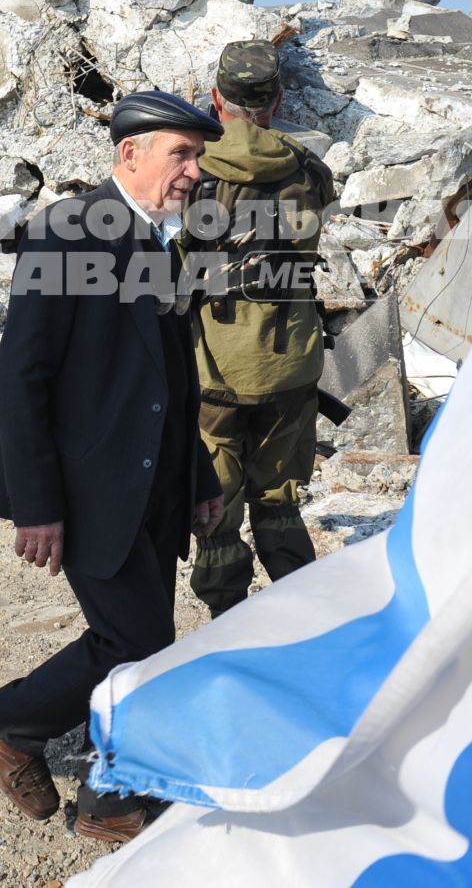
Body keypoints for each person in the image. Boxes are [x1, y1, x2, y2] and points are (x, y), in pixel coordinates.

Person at [0, 89, 227, 844]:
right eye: (182, 153)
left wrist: (201, 477)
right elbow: (21, 375)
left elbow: (172, 378)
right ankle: (19, 730)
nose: (194, 171)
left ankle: (92, 779)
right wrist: (37, 503)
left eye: (198, 156)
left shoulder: (158, 240)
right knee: (136, 643)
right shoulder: (68, 233)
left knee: (140, 639)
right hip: (87, 490)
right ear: (129, 154)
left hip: (150, 484)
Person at [182, 41, 335, 617]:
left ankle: (228, 624)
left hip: (216, 365)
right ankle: (301, 618)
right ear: (277, 99)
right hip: (290, 360)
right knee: (280, 498)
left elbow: (172, 269)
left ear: (216, 97)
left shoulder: (194, 168)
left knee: (217, 506)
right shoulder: (310, 169)